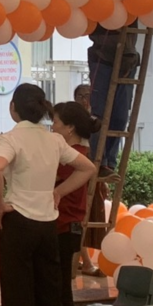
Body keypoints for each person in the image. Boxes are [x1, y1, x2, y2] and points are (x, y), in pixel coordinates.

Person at [0, 84, 96, 306]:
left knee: (18, 294)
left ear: (13, 107)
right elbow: (88, 168)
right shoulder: (54, 140)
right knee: (49, 292)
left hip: (18, 221)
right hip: (48, 225)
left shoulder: (11, 138)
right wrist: (58, 192)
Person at [84, 0, 136, 169]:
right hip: (101, 58)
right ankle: (99, 159)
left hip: (127, 60)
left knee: (120, 116)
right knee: (100, 112)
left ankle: (110, 161)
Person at [51, 102, 101, 280]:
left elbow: (48, 179)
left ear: (70, 127)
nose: (52, 127)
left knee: (60, 279)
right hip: (68, 220)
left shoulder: (73, 156)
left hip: (64, 221)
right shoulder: (80, 151)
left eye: (55, 122)